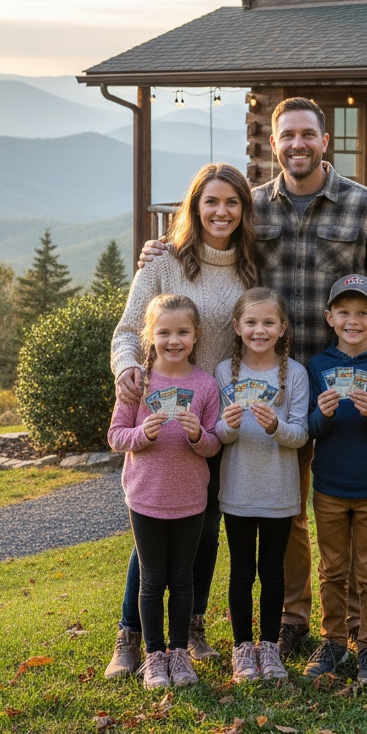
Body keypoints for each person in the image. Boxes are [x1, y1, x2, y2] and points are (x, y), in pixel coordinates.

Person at [140, 98, 367, 655]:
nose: (297, 144)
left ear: (324, 141)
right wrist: (163, 252)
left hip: (342, 382)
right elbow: (211, 237)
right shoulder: (255, 208)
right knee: (285, 509)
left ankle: (359, 634)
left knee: (344, 504)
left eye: (307, 135)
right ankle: (293, 620)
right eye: (286, 135)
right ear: (273, 144)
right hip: (269, 382)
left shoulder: (364, 207)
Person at [105, 163, 259, 679]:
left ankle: (191, 628)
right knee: (153, 533)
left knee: (206, 527)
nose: (221, 212)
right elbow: (128, 329)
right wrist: (129, 368)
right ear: (194, 207)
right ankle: (132, 637)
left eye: (232, 203)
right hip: (163, 417)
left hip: (221, 411)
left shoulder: (252, 267)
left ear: (244, 210)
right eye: (210, 202)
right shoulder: (165, 264)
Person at [107, 293, 222, 689]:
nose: (174, 340)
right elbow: (116, 436)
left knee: (184, 579)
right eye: (164, 332)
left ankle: (178, 653)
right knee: (152, 579)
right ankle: (153, 655)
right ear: (149, 335)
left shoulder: (205, 386)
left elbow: (214, 444)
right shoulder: (139, 382)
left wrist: (197, 436)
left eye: (183, 332)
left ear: (196, 336)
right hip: (146, 498)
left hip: (190, 498)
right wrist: (141, 434)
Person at [301, 274, 367, 684]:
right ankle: (333, 641)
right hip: (329, 485)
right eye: (344, 312)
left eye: (363, 312)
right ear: (329, 318)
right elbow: (311, 428)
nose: (353, 320)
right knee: (332, 569)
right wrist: (323, 414)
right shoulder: (319, 366)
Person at [214, 288, 308, 682]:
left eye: (269, 322)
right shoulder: (224, 373)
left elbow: (301, 434)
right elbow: (218, 434)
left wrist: (275, 426)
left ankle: (269, 648)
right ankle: (242, 648)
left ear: (282, 328)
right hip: (237, 489)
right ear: (237, 327)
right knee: (240, 572)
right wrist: (230, 425)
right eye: (251, 322)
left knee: (272, 572)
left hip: (278, 491)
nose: (259, 330)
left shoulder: (296, 374)